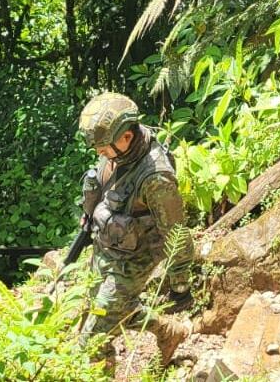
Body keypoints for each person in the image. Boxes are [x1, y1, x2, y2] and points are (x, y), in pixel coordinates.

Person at [74, 92, 192, 369]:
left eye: (103, 148)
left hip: (134, 260)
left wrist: (180, 285)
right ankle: (168, 332)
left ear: (126, 136)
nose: (99, 154)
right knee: (106, 309)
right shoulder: (120, 154)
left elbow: (176, 232)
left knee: (90, 340)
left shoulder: (156, 177)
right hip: (108, 247)